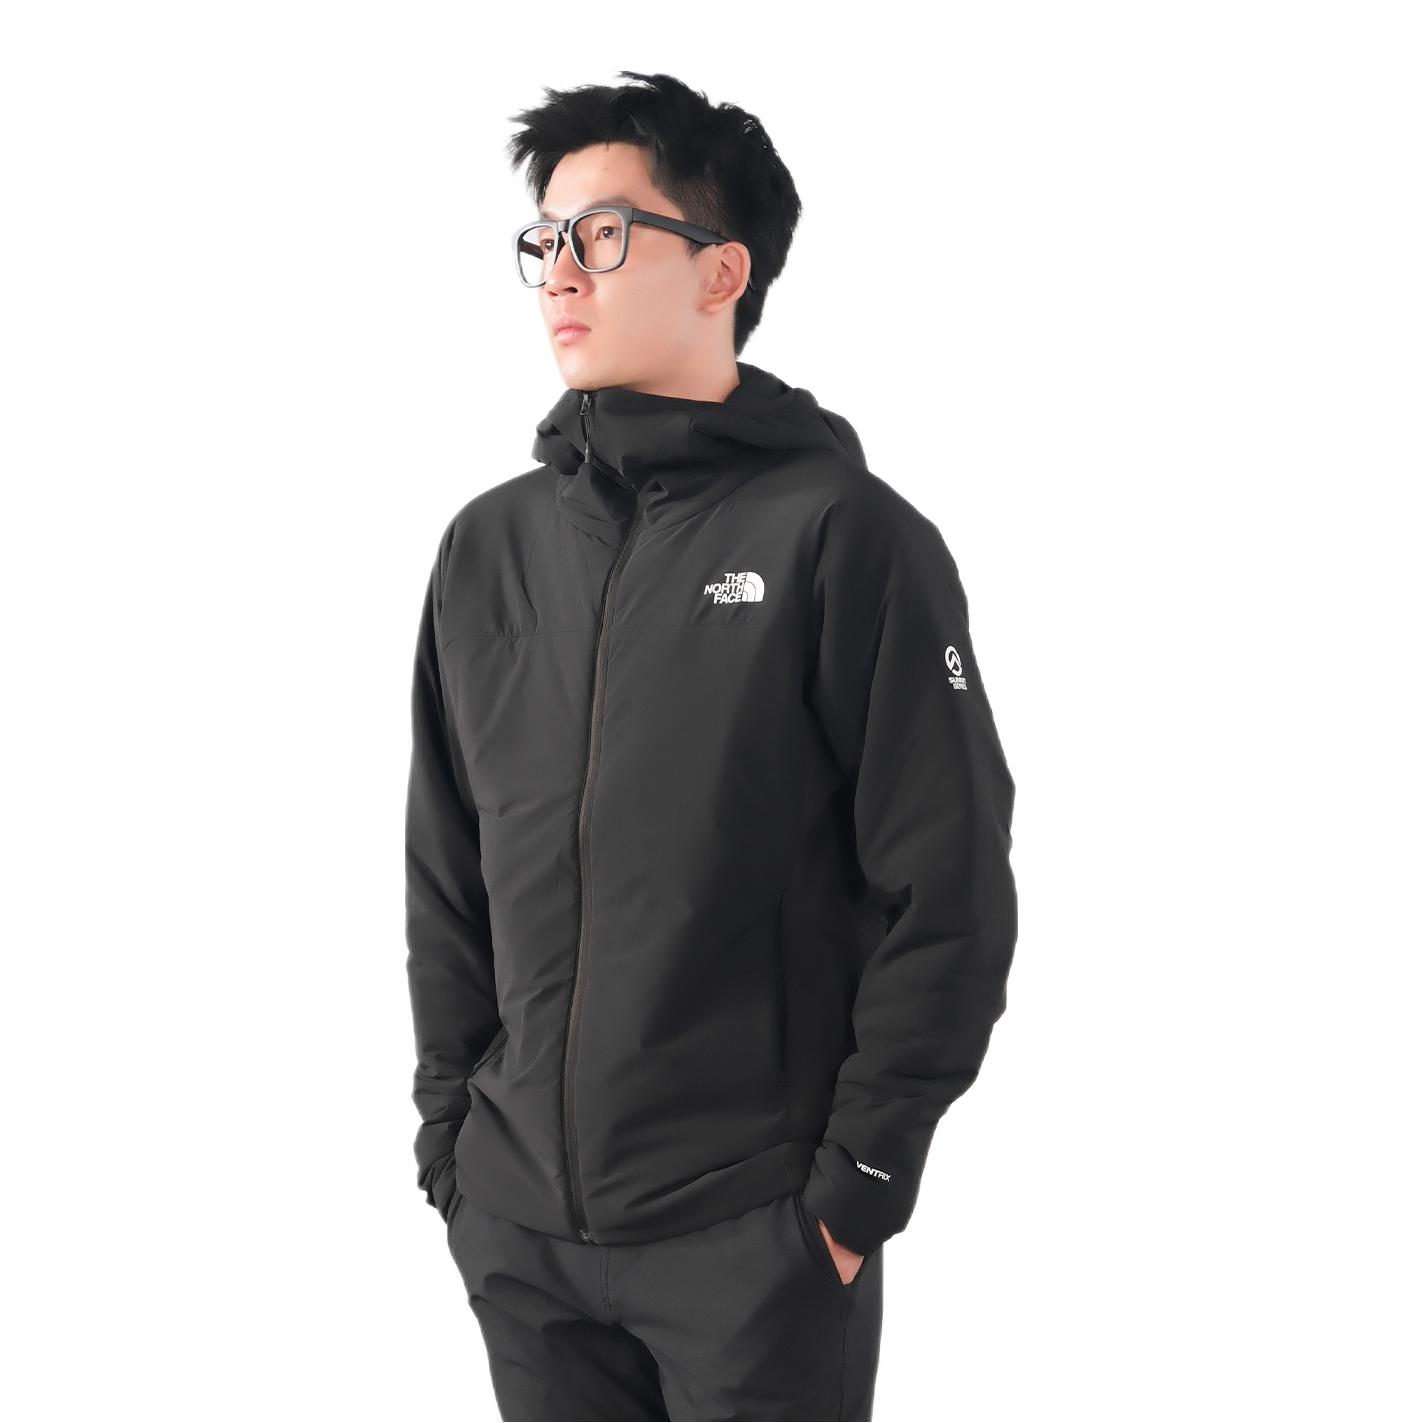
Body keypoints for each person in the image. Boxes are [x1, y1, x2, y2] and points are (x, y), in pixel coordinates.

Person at [404, 70, 1019, 1422]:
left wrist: (854, 1191)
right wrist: (454, 1150)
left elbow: (952, 887)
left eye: (604, 233)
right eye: (545, 239)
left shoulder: (844, 536)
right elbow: (447, 878)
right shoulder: (487, 550)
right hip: (522, 1239)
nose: (562, 271)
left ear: (720, 270)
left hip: (752, 1240)